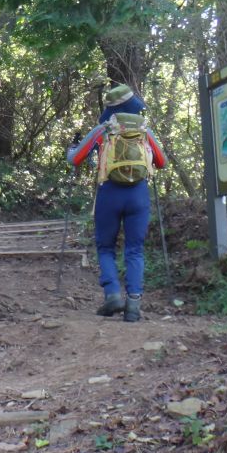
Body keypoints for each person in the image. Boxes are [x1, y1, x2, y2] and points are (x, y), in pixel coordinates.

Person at [66, 84, 167, 322]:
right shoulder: (144, 131)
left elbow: (76, 159)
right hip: (138, 195)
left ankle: (112, 294)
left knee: (105, 247)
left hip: (109, 193)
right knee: (134, 249)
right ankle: (133, 305)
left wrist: (71, 149)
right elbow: (161, 162)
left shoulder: (102, 131)